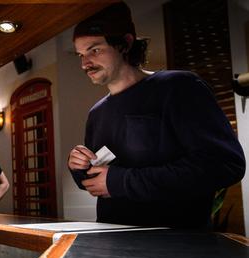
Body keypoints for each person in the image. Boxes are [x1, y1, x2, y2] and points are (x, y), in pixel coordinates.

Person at [67, 2, 245, 228]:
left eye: (94, 50)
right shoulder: (97, 113)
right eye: (80, 54)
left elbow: (225, 164)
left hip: (177, 246)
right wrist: (78, 168)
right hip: (111, 241)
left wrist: (120, 182)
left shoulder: (179, 87)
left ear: (125, 43)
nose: (85, 63)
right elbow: (98, 180)